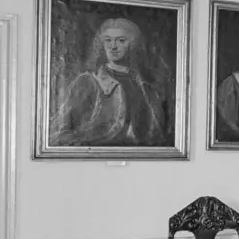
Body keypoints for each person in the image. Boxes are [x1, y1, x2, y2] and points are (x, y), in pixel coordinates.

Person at [52, 17, 168, 147]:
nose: (113, 46)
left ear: (133, 44)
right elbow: (63, 131)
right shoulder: (87, 82)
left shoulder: (145, 86)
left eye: (121, 40)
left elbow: (157, 135)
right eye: (108, 40)